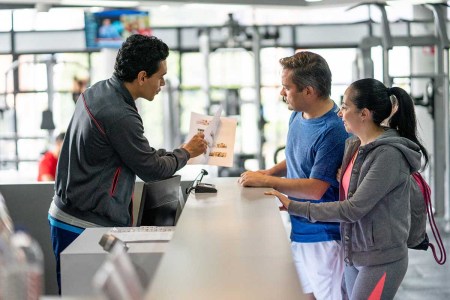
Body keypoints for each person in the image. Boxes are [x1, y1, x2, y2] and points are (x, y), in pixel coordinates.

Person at [48, 34, 207, 293]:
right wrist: (186, 153)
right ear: (143, 76)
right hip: (82, 224)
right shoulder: (118, 113)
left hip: (73, 215)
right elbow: (152, 169)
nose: (163, 83)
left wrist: (179, 152)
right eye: (160, 76)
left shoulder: (99, 92)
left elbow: (136, 153)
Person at [266, 78, 429, 299]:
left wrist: (294, 206)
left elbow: (353, 209)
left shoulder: (388, 155)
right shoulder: (354, 147)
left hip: (381, 260)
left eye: (345, 107)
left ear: (364, 114)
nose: (339, 113)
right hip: (354, 255)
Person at [239, 51, 348, 300]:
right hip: (299, 228)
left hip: (324, 236)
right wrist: (268, 172)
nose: (281, 93)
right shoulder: (297, 116)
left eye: (286, 88)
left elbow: (316, 188)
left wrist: (267, 182)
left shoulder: (333, 130)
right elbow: (297, 157)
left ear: (308, 91)